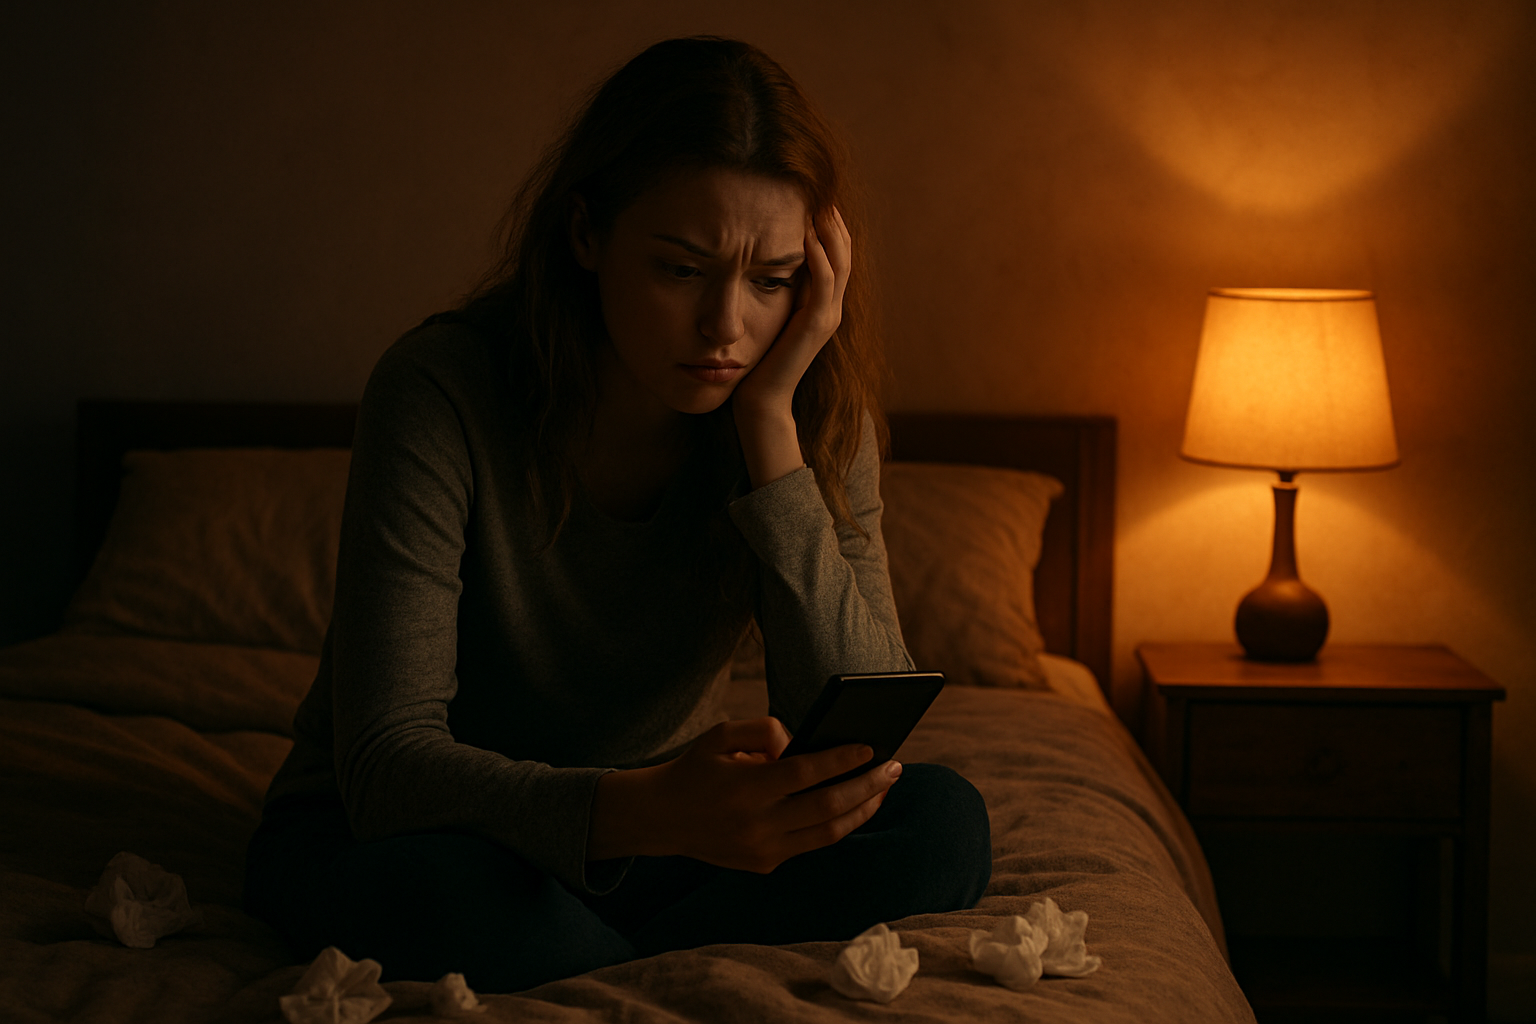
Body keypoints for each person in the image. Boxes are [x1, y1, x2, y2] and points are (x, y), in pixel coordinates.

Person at [244, 36, 991, 993]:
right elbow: (390, 768)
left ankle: (593, 962)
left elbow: (851, 728)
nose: (727, 327)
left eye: (771, 281)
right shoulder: (442, 389)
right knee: (447, 895)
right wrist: (655, 812)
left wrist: (769, 434)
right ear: (586, 235)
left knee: (940, 822)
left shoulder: (805, 411)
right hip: (433, 835)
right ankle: (654, 965)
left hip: (659, 838)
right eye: (681, 270)